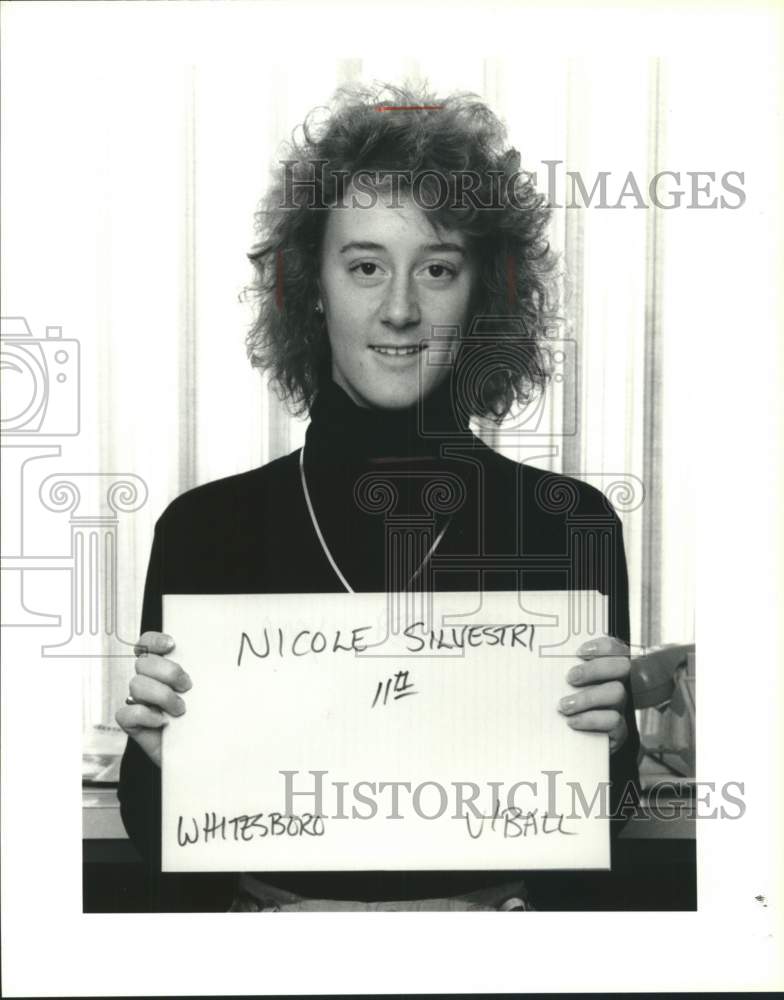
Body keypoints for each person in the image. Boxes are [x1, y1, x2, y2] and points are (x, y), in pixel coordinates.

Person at [116, 83, 640, 912]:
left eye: (436, 269)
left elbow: (602, 834)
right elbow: (162, 843)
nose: (399, 310)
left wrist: (610, 750)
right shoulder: (204, 530)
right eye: (365, 266)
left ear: (483, 296)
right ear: (311, 286)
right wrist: (153, 758)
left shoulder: (567, 524)